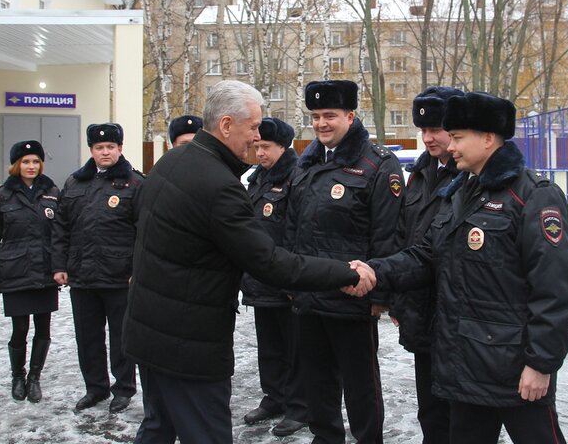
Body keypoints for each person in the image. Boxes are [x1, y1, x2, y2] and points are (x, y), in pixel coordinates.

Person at [122, 79, 373, 444]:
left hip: (150, 331)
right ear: (226, 125)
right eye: (253, 126)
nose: (258, 137)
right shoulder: (219, 186)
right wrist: (345, 271)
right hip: (188, 344)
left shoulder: (173, 161)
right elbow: (270, 263)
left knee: (158, 427)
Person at [351, 92, 568, 444]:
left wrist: (541, 364)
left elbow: (557, 289)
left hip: (513, 368)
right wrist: (373, 271)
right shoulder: (462, 191)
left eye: (458, 137)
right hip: (464, 363)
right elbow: (426, 255)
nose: (451, 146)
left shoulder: (533, 195)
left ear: (488, 138)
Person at [283, 80, 405, 444]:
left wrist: (380, 295)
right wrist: (292, 281)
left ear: (350, 116)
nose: (321, 123)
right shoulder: (304, 165)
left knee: (361, 387)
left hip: (353, 299)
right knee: (317, 384)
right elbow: (291, 229)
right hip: (309, 295)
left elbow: (389, 235)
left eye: (330, 116)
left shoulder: (378, 165)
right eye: (316, 116)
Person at [51, 123, 143, 413]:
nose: (105, 152)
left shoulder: (135, 183)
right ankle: (95, 388)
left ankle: (123, 388)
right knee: (87, 337)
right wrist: (59, 265)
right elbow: (60, 228)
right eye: (99, 148)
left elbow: (145, 231)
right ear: (91, 151)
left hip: (120, 277)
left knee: (121, 337)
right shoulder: (75, 183)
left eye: (110, 147)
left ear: (119, 149)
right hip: (82, 276)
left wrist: (136, 270)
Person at [389, 86, 463, 443]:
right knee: (430, 408)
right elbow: (406, 237)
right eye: (424, 130)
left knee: (462, 413)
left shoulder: (472, 175)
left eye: (437, 129)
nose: (429, 138)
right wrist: (397, 299)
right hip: (421, 306)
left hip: (457, 314)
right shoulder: (420, 174)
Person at [240, 117, 307, 437]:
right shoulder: (257, 179)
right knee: (269, 345)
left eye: (266, 147)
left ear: (284, 147)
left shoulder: (297, 177)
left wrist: (295, 279)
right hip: (261, 278)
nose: (260, 153)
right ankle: (274, 397)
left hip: (287, 280)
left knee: (295, 347)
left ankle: (298, 406)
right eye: (257, 146)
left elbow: (299, 231)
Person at [0, 141, 59, 403]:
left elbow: (60, 234)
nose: (31, 166)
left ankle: (34, 377)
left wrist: (61, 267)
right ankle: (18, 375)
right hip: (15, 270)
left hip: (45, 271)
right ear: (16, 165)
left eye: (35, 161)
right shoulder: (1, 195)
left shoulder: (51, 191)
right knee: (20, 329)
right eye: (26, 162)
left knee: (43, 328)